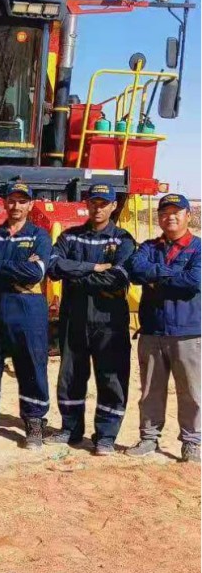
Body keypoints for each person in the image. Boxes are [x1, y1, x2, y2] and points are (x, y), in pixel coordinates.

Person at [45, 183, 136, 455]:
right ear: (87, 204)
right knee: (71, 375)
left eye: (103, 203)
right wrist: (93, 268)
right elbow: (53, 266)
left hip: (109, 321)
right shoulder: (70, 237)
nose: (98, 208)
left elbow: (117, 277)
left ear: (114, 206)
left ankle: (106, 436)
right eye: (94, 202)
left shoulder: (123, 240)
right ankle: (70, 429)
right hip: (74, 317)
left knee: (111, 376)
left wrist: (75, 276)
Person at [0, 182, 53, 448]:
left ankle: (34, 423)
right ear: (4, 203)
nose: (16, 206)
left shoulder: (39, 236)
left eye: (22, 201)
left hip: (27, 310)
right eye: (12, 200)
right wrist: (15, 272)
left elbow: (36, 273)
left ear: (31, 205)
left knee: (31, 365)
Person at [125, 193, 200, 463]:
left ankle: (192, 442)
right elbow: (135, 269)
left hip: (187, 332)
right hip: (152, 331)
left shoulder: (198, 248)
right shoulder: (149, 247)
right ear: (159, 218)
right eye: (165, 213)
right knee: (150, 390)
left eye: (176, 212)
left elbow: (194, 281)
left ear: (188, 216)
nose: (170, 217)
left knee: (191, 391)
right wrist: (172, 275)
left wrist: (155, 277)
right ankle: (149, 438)